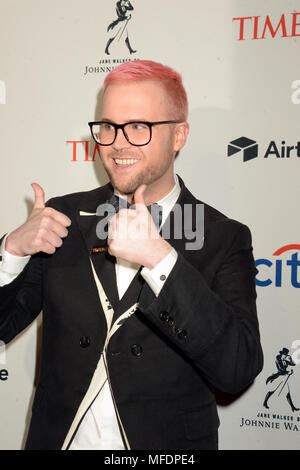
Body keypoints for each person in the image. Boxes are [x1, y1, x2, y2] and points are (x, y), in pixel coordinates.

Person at [0, 60, 263, 450]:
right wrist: (12, 251)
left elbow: (237, 368)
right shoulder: (63, 217)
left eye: (139, 126)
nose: (117, 142)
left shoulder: (223, 237)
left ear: (178, 136)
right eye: (108, 126)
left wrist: (161, 259)